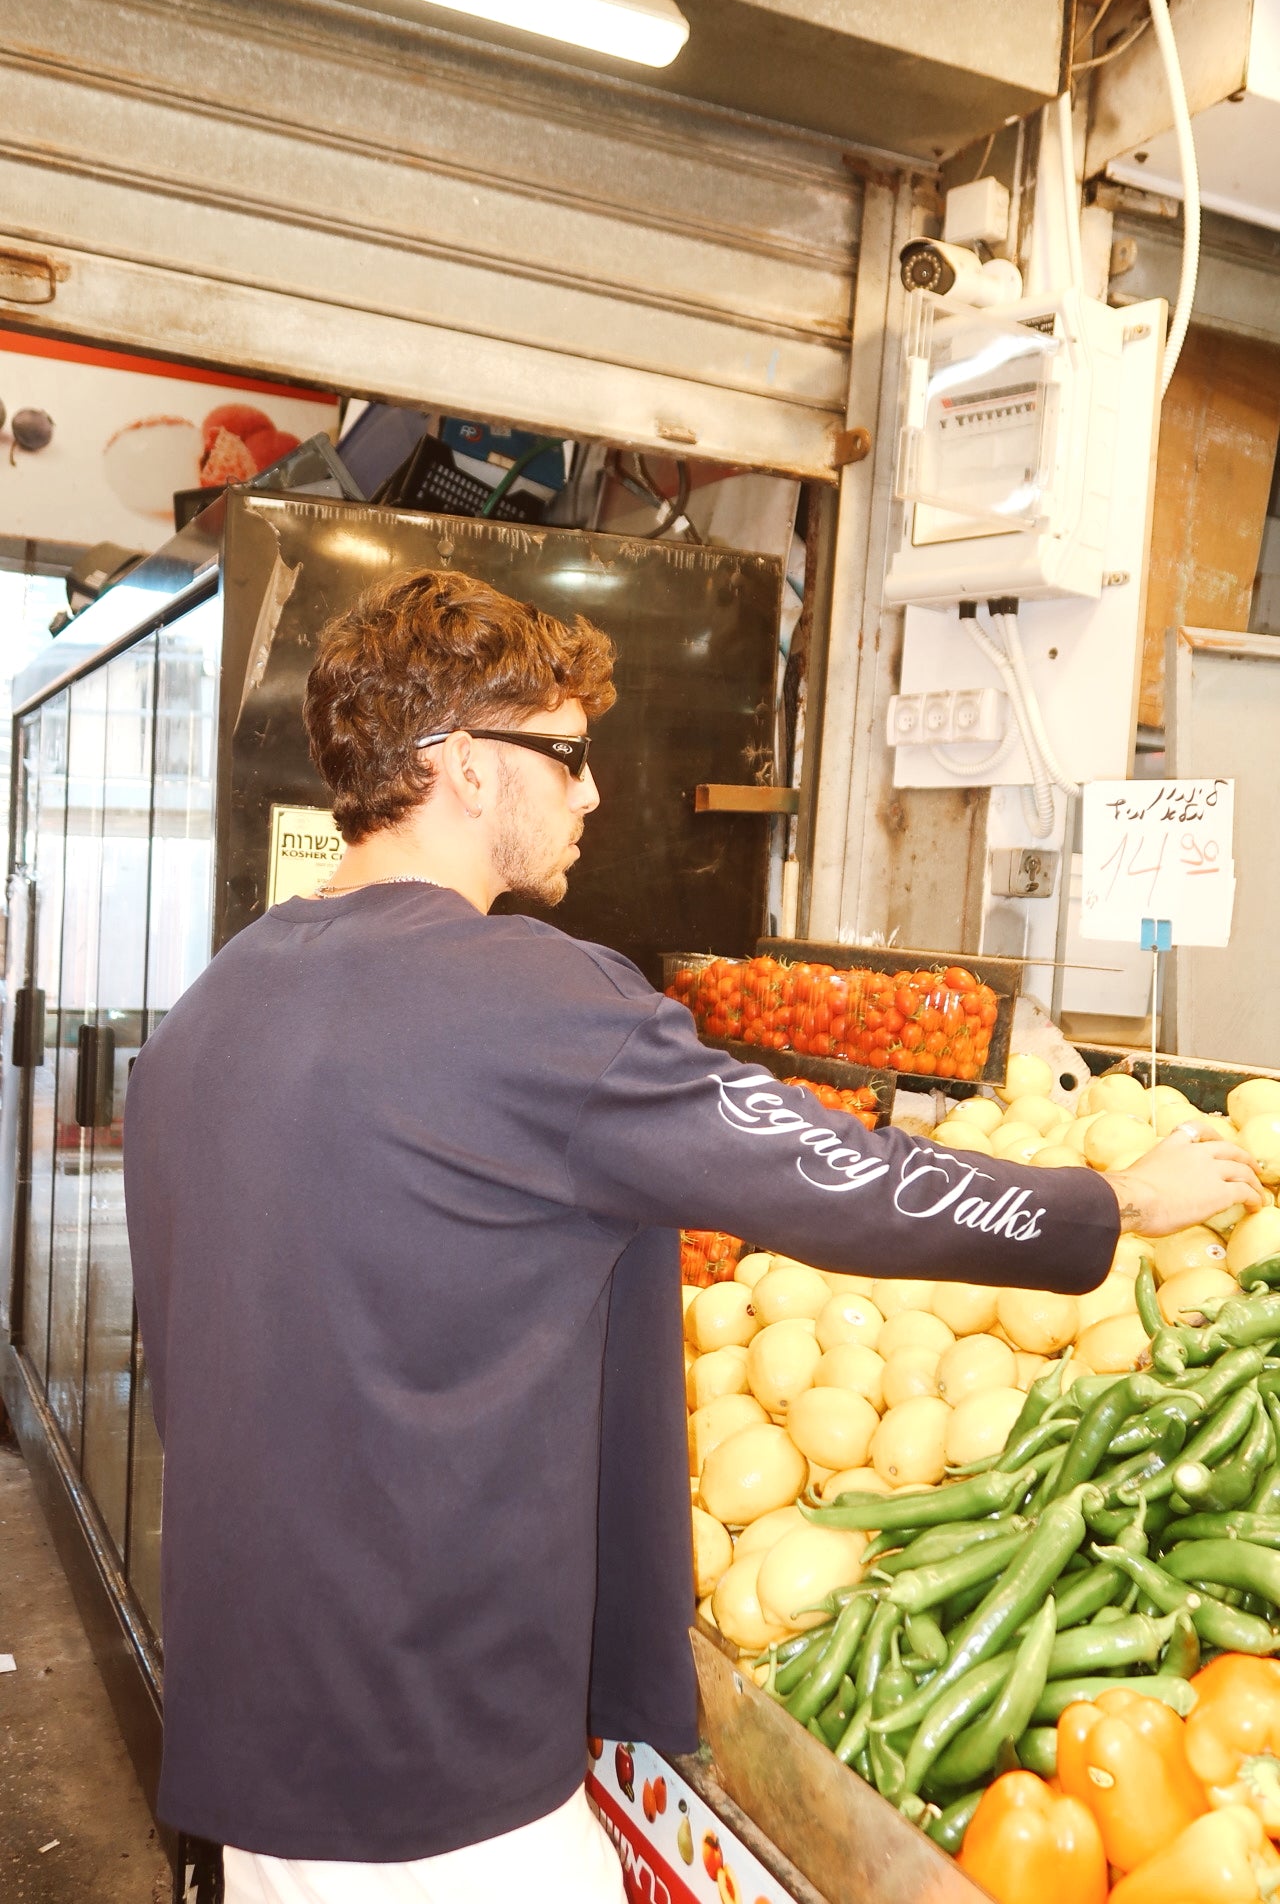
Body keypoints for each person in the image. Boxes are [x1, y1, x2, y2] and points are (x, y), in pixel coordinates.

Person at [123, 569, 1263, 1904]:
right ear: (465, 768)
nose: (593, 794)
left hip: (252, 1751)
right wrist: (1116, 1202)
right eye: (566, 754)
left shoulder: (209, 1014)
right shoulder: (538, 1007)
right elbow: (841, 1178)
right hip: (441, 1783)